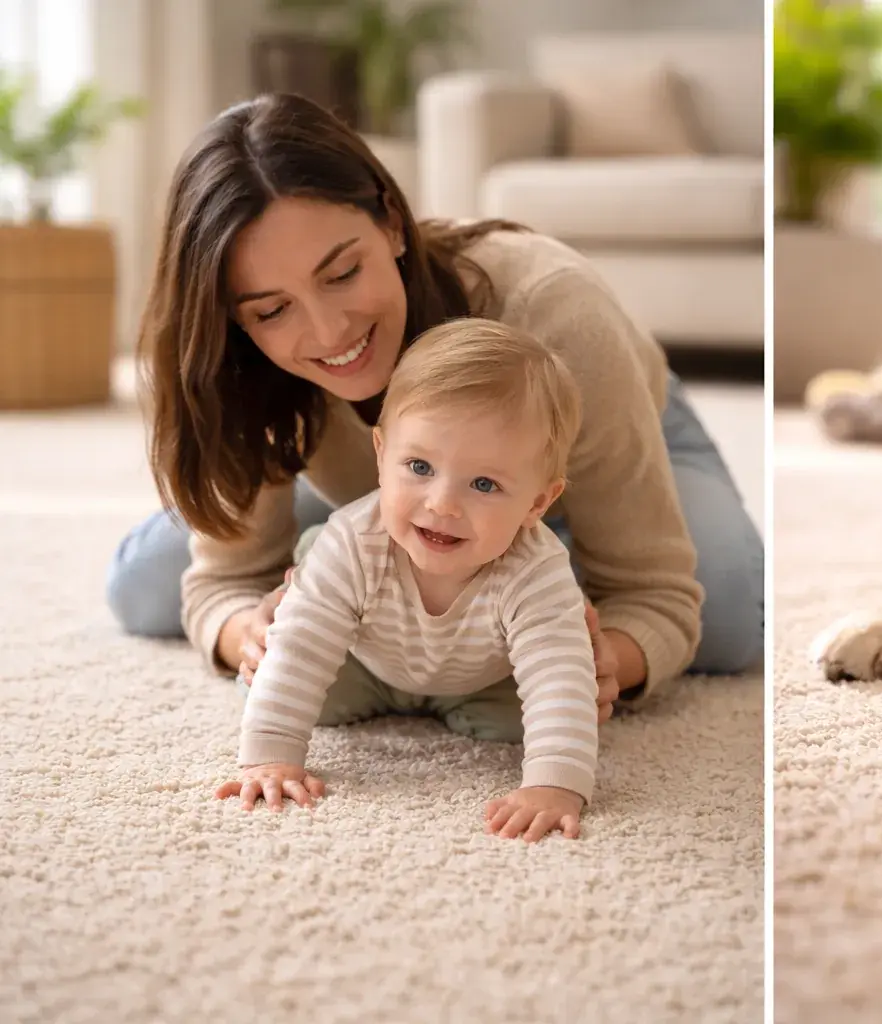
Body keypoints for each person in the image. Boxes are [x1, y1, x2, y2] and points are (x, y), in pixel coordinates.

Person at [109, 92, 762, 714]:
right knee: (146, 590)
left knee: (725, 614)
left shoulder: (555, 314)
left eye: (341, 274)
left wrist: (602, 659)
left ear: (392, 222)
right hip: (388, 494)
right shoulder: (247, 366)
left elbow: (654, 592)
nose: (330, 333)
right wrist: (245, 634)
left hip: (610, 424)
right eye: (272, 309)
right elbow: (224, 583)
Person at [218, 319, 599, 843]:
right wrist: (270, 756)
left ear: (537, 502)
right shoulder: (357, 540)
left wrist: (555, 786)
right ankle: (301, 585)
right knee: (286, 676)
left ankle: (453, 705)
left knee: (545, 712)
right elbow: (304, 649)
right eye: (419, 466)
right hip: (364, 655)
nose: (441, 503)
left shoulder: (536, 570)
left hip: (478, 675)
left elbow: (557, 675)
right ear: (380, 455)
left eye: (484, 483)